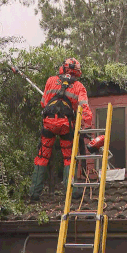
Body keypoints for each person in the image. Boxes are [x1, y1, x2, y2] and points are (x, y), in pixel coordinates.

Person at [29, 58, 93, 202]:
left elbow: (43, 103)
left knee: (42, 157)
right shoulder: (79, 86)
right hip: (66, 125)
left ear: (62, 69)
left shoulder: (51, 80)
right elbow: (84, 107)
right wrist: (86, 125)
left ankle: (34, 194)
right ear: (77, 72)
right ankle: (71, 192)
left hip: (49, 123)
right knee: (68, 158)